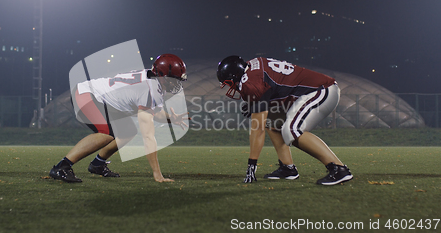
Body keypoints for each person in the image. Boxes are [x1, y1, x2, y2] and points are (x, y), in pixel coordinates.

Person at [49, 54, 188, 183]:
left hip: (100, 99)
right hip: (87, 95)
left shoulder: (152, 81)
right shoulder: (151, 89)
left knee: (127, 131)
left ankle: (98, 164)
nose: (176, 84)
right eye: (174, 79)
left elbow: (154, 113)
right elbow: (148, 136)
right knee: (107, 133)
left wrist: (171, 118)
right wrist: (157, 173)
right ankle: (62, 167)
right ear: (163, 76)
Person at [216, 55, 353, 185]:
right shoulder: (253, 66)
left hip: (321, 90)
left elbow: (257, 129)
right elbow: (276, 88)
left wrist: (252, 164)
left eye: (229, 83)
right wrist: (257, 101)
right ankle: (288, 168)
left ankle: (339, 168)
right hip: (306, 93)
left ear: (235, 77)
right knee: (272, 122)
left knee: (292, 130)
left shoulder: (252, 83)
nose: (230, 87)